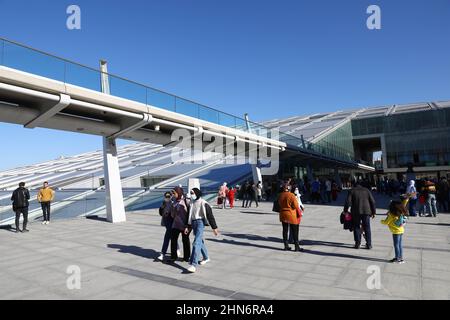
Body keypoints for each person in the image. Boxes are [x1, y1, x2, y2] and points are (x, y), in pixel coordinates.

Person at [185, 188, 219, 273]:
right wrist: (187, 226)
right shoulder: (191, 203)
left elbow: (210, 216)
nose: (191, 194)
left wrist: (214, 228)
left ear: (197, 193)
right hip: (193, 223)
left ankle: (193, 264)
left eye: (192, 193)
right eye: (191, 193)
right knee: (199, 241)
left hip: (200, 222)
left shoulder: (204, 203)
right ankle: (206, 257)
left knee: (196, 242)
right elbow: (189, 215)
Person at [343, 181, 376, 249]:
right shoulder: (366, 190)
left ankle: (357, 243)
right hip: (366, 211)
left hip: (356, 212)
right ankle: (369, 244)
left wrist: (345, 211)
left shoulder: (352, 190)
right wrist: (373, 212)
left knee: (356, 227)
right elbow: (372, 201)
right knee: (367, 227)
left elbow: (348, 202)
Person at [381, 199, 409, 264]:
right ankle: (401, 258)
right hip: (401, 230)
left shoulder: (391, 215)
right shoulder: (400, 212)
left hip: (396, 232)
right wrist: (406, 200)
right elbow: (403, 205)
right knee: (399, 245)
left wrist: (381, 221)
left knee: (396, 245)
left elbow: (386, 222)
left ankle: (397, 258)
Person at [278, 183, 303, 252]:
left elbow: (279, 204)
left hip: (283, 214)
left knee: (285, 230)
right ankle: (297, 247)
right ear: (289, 188)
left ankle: (286, 246)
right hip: (291, 215)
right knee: (294, 231)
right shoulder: (291, 195)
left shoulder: (280, 195)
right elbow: (295, 206)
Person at [170, 187, 191, 262]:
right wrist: (172, 205)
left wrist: (188, 226)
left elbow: (190, 213)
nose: (173, 194)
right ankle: (173, 256)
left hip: (185, 225)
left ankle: (186, 257)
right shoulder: (174, 201)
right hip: (176, 224)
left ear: (178, 193)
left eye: (174, 193)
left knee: (185, 240)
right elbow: (172, 215)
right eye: (172, 193)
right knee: (173, 240)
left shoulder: (186, 201)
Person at [157, 191, 180, 261]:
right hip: (166, 222)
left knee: (167, 237)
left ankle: (163, 253)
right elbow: (161, 214)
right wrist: (161, 208)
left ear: (171, 196)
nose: (167, 198)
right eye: (166, 196)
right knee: (171, 237)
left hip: (172, 222)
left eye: (168, 196)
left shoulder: (173, 203)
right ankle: (177, 249)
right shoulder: (163, 203)